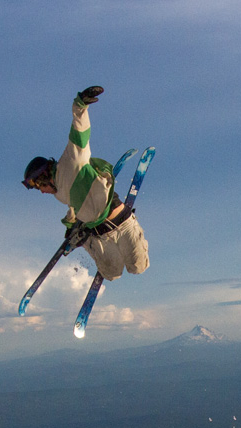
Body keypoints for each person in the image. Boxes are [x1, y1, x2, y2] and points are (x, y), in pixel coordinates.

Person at [22, 86, 150, 282]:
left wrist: (80, 105)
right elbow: (76, 207)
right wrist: (70, 224)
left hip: (122, 222)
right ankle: (85, 238)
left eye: (39, 187)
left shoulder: (71, 161)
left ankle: (92, 235)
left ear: (43, 176)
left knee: (138, 267)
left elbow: (79, 131)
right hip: (100, 237)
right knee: (112, 274)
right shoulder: (58, 194)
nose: (41, 192)